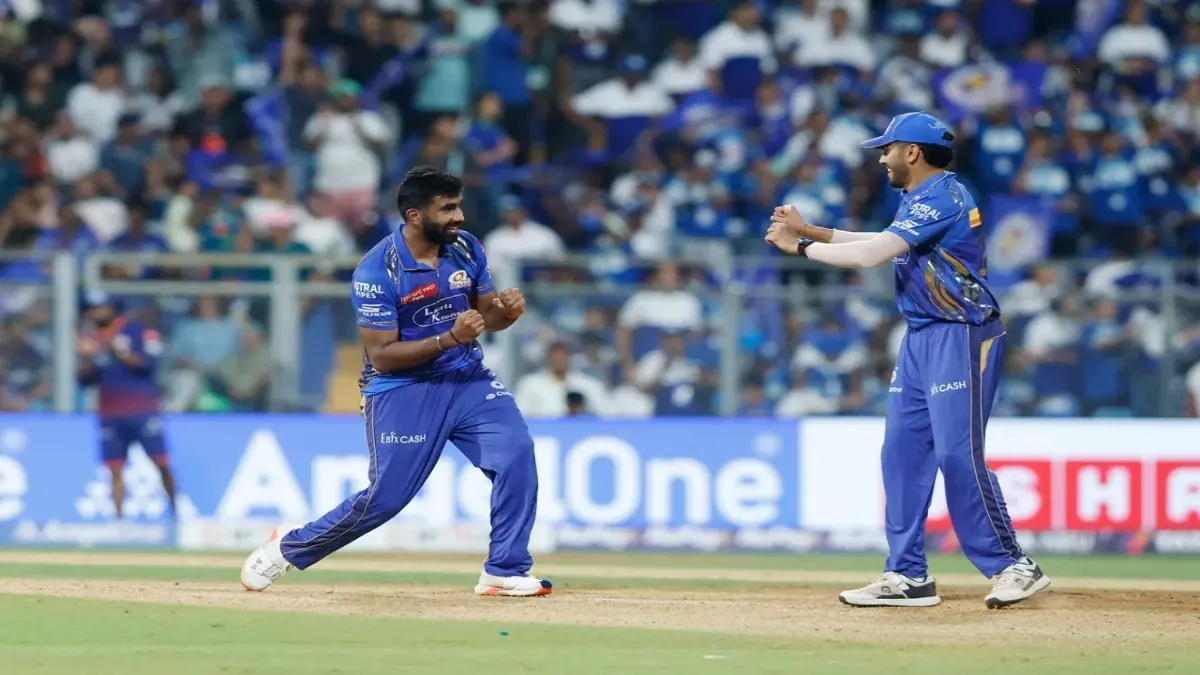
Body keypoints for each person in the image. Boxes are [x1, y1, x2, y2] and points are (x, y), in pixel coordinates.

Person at [764, 112, 1052, 609]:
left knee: (957, 454)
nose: (881, 159)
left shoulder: (944, 195)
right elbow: (880, 244)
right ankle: (907, 574)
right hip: (922, 336)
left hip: (960, 334)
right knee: (902, 452)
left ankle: (1012, 565)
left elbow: (871, 256)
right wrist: (811, 229)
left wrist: (802, 246)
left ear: (912, 152)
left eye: (887, 149)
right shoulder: (919, 198)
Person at [241, 167, 551, 598]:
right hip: (404, 389)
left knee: (517, 453)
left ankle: (504, 568)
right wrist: (449, 337)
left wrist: (507, 314)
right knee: (387, 499)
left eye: (458, 205)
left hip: (467, 378)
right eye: (447, 208)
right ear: (415, 215)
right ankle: (288, 549)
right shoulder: (377, 271)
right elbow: (383, 357)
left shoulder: (466, 248)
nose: (459, 216)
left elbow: (487, 319)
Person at [77, 294, 178, 520]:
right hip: (110, 412)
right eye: (93, 308)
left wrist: (122, 352)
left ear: (113, 308)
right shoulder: (91, 339)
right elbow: (85, 381)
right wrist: (86, 359)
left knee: (161, 463)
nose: (98, 313)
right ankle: (119, 521)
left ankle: (176, 513)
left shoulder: (137, 331)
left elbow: (151, 366)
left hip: (142, 409)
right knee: (114, 468)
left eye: (102, 307)